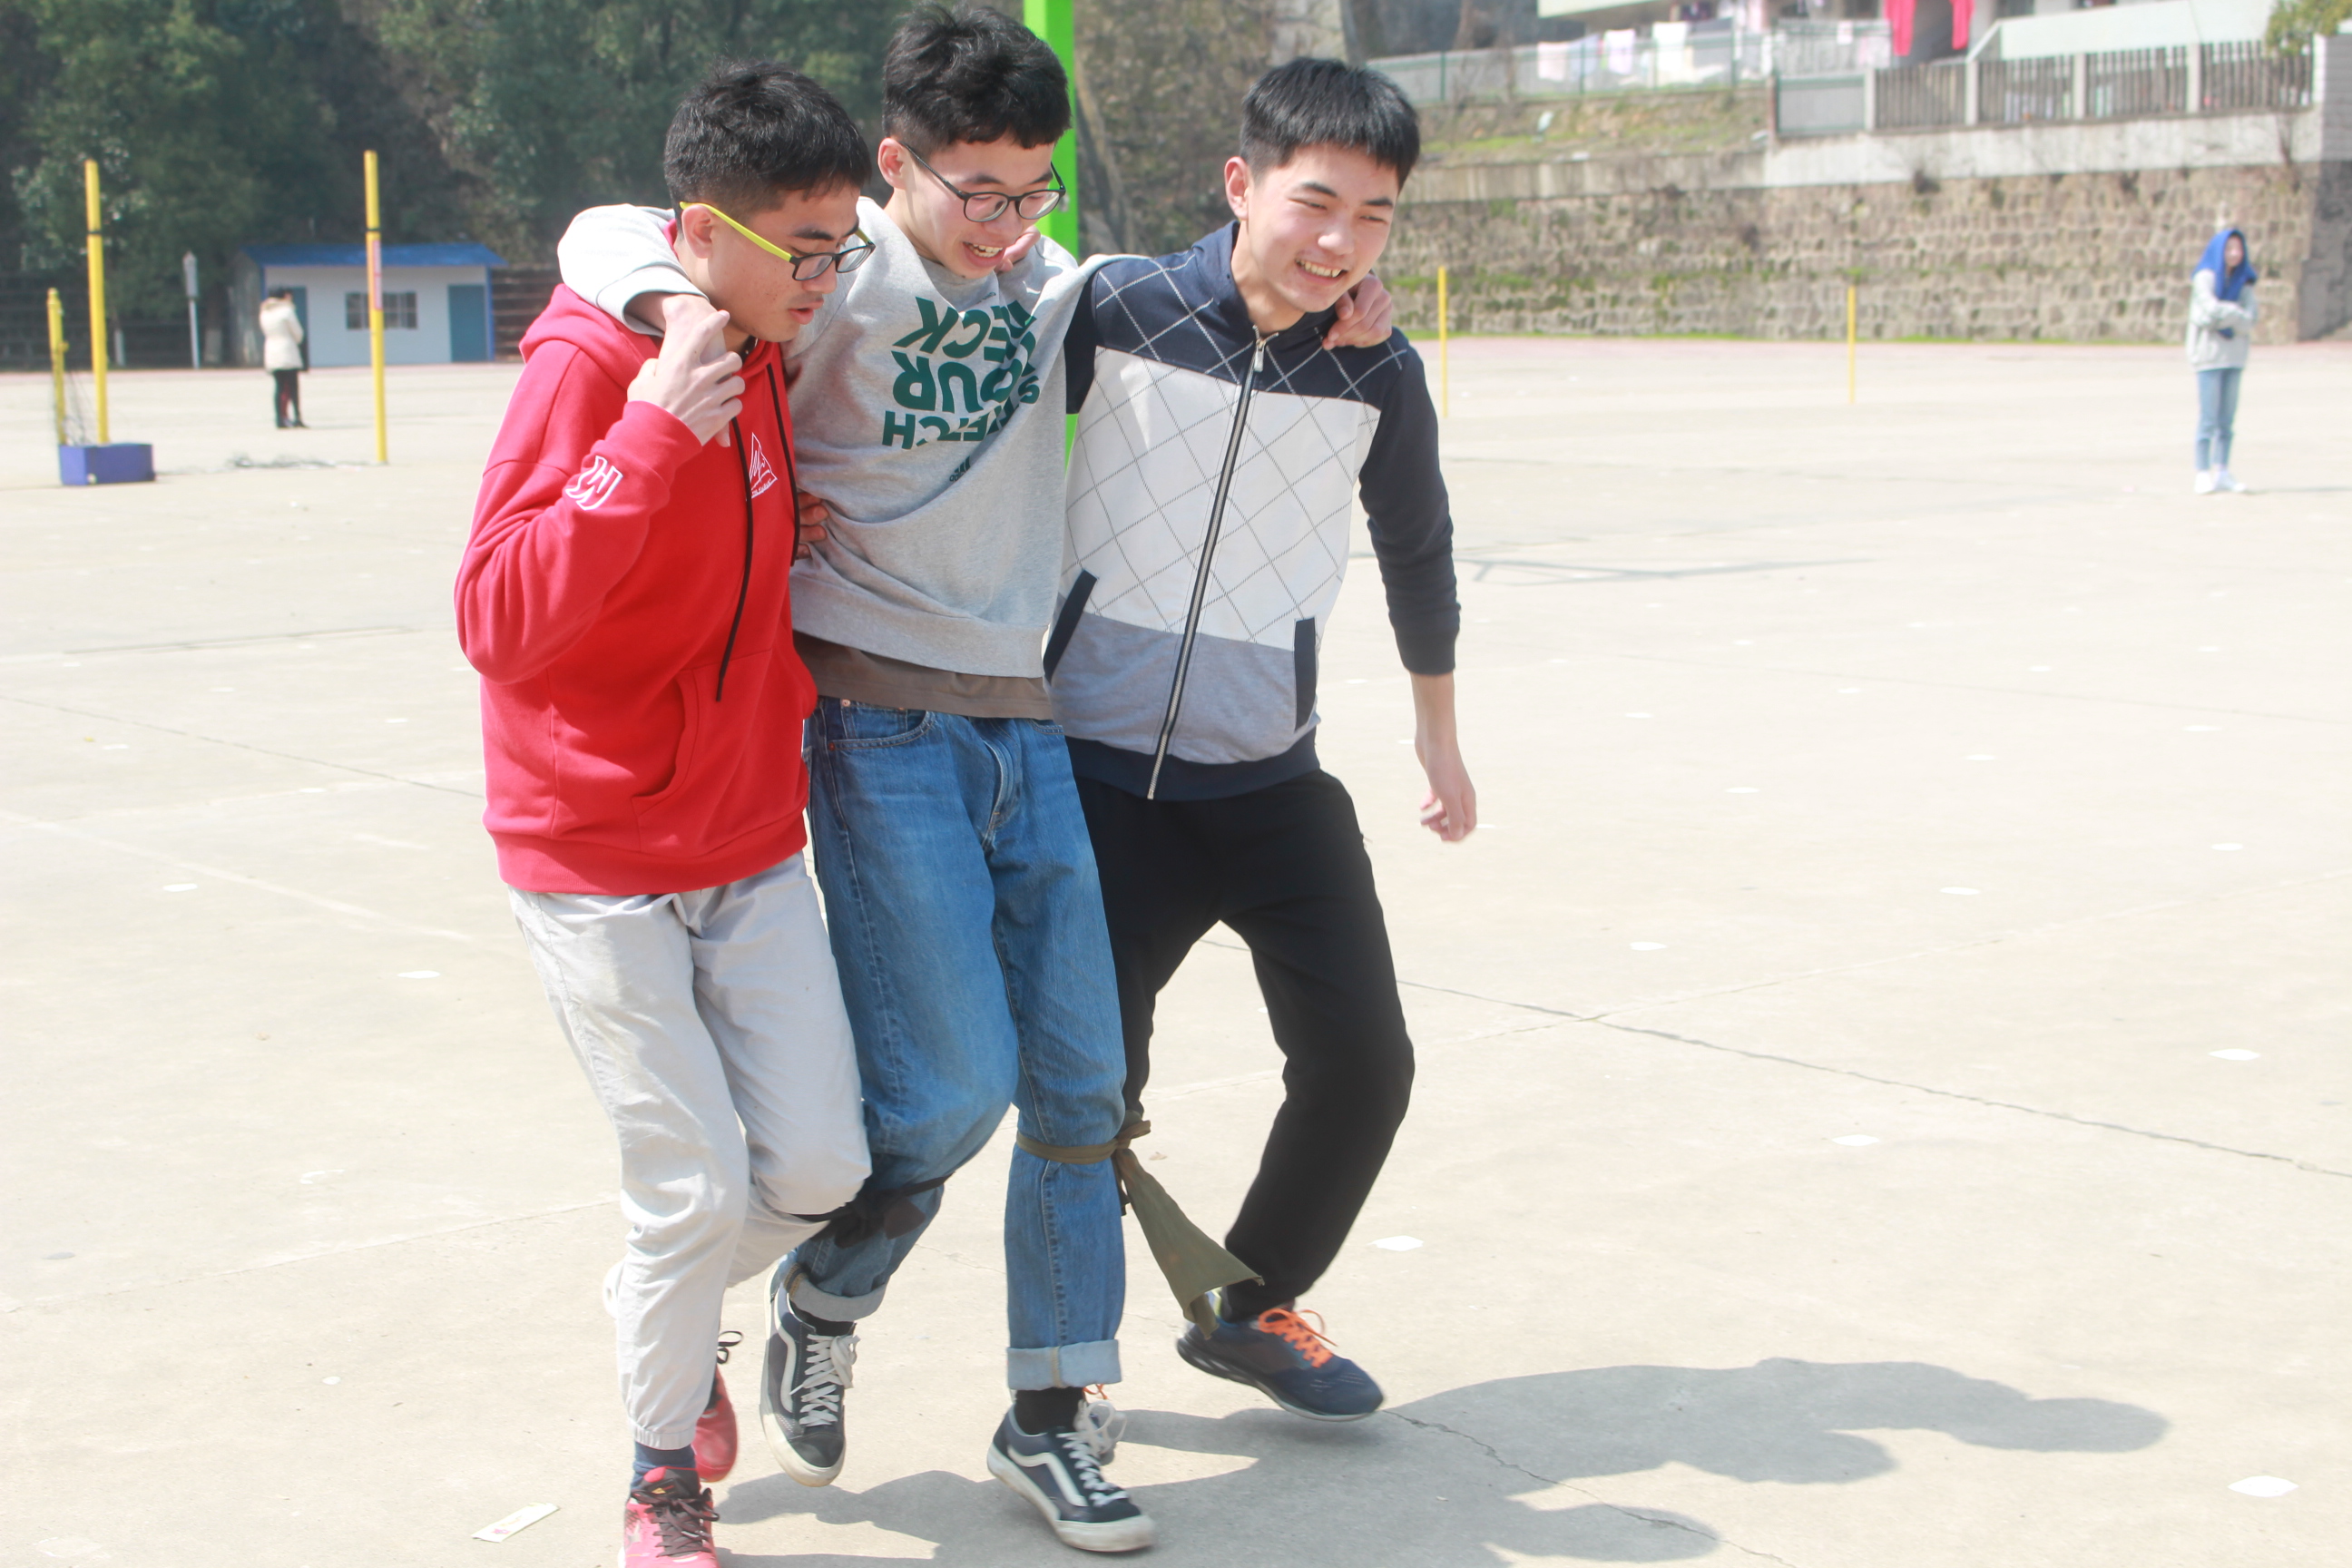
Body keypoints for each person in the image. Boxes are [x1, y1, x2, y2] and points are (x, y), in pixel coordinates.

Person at [555, 11, 1392, 1551]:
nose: (1007, 225)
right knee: (946, 1093)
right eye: (976, 192)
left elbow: (1235, 277)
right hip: (880, 729)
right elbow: (610, 227)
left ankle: (1054, 1416)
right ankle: (825, 1292)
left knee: (1081, 1088)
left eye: (1031, 191)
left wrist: (1345, 296)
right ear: (897, 164)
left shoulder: (1056, 286)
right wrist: (675, 310)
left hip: (1028, 721)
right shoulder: (834, 278)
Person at [456, 64, 876, 1568]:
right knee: (690, 1186)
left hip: (746, 838)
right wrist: (642, 442)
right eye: (805, 249)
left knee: (819, 1169)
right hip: (596, 858)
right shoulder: (592, 367)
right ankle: (660, 1484)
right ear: (703, 234)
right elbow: (495, 615)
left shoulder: (756, 345)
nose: (827, 279)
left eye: (841, 247)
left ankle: (671, 1309)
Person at [1051, 56, 1472, 1424]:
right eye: (1315, 203)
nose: (1340, 242)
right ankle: (1061, 1375)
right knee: (1086, 1098)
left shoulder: (1376, 369)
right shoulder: (1114, 309)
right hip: (1099, 780)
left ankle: (1250, 1304)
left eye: (1375, 216)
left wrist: (1437, 735)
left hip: (1270, 781)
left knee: (1365, 1066)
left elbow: (1418, 547)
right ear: (1242, 184)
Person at [2187, 227, 2256, 495]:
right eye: (2229, 249)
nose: (2234, 254)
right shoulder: (2204, 278)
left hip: (2234, 357)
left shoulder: (2244, 282)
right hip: (2209, 357)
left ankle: (2223, 471)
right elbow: (2206, 312)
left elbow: (2250, 319)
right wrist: (2235, 313)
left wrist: (2228, 315)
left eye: (2238, 249)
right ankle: (2202, 472)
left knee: (2227, 421)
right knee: (2208, 418)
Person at [260, 287, 305, 427]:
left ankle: (279, 419)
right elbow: (298, 333)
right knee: (293, 387)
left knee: (279, 387)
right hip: (287, 350)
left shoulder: (264, 312)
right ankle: (297, 417)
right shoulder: (287, 311)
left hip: (271, 350)